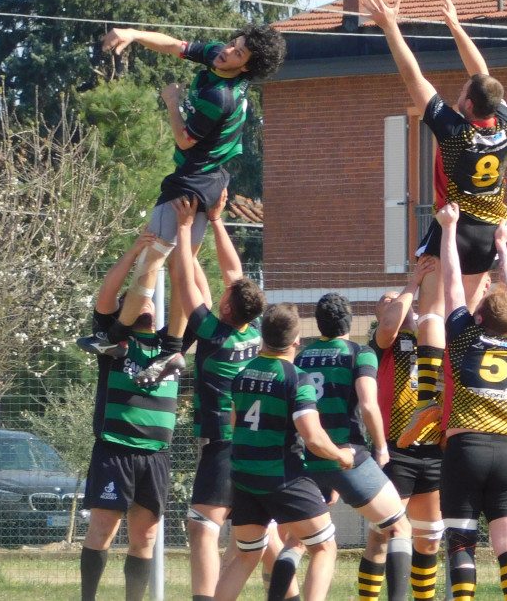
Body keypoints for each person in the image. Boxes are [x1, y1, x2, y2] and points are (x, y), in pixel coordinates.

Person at [78, 24, 286, 384]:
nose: (228, 51)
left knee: (152, 257)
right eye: (233, 44)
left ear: (248, 67)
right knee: (180, 265)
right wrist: (133, 34)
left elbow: (185, 140)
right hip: (208, 179)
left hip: (192, 179)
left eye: (238, 53)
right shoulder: (219, 56)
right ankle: (172, 348)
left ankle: (115, 339)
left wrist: (172, 101)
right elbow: (177, 45)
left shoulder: (220, 96)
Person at [363, 0, 507, 446]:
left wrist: (391, 25)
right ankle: (459, 397)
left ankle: (429, 400)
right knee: (460, 316)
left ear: (467, 105)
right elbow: (481, 73)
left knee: (430, 313)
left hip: (454, 225)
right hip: (489, 235)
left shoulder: (455, 132)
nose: (461, 87)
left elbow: (413, 77)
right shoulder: (503, 124)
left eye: (463, 90)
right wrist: (454, 23)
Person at [171, 194, 296, 601]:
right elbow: (234, 272)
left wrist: (186, 228)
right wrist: (217, 221)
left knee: (204, 526)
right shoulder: (254, 329)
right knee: (254, 535)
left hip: (225, 444)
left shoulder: (213, 332)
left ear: (224, 306)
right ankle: (289, 595)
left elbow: (184, 282)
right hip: (260, 445)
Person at [215, 302, 355, 601]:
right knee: (324, 546)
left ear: (263, 338)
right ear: (296, 342)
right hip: (282, 477)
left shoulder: (242, 375)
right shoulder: (295, 378)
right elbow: (314, 438)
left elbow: (235, 423)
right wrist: (342, 456)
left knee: (245, 557)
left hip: (244, 478)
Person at [279, 293, 412, 601]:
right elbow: (367, 404)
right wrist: (381, 447)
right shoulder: (360, 353)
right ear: (349, 321)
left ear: (318, 323)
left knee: (297, 541)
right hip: (347, 456)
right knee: (398, 528)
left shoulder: (300, 357)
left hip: (307, 461)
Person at [80, 231, 183, 601]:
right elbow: (109, 293)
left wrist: (179, 252)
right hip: (115, 450)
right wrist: (139, 252)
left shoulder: (168, 345)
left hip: (154, 455)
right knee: (103, 530)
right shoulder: (113, 339)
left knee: (145, 537)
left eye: (154, 301)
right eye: (141, 299)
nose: (149, 303)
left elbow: (186, 299)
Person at [437, 202, 507, 601]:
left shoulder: (462, 337)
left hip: (467, 447)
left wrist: (448, 229)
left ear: (478, 318)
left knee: (461, 540)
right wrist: (503, 247)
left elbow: (453, 282)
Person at [358, 256, 445, 601]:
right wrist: (412, 283)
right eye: (387, 301)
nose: (398, 302)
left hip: (432, 449)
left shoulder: (430, 336)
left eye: (402, 299)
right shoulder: (381, 344)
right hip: (396, 448)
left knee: (429, 537)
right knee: (384, 535)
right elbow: (391, 325)